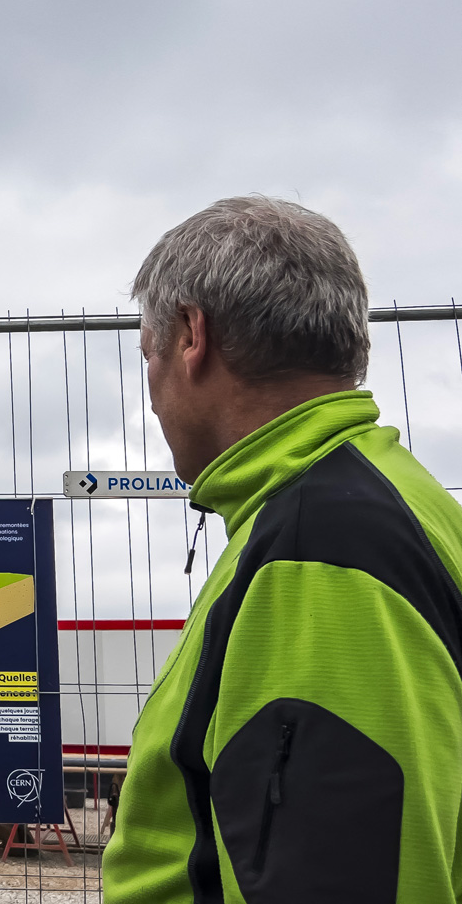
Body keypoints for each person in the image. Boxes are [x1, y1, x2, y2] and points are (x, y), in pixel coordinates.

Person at [102, 197, 462, 903]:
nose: (151, 396)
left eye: (148, 353)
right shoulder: (391, 496)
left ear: (192, 335)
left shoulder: (315, 549)